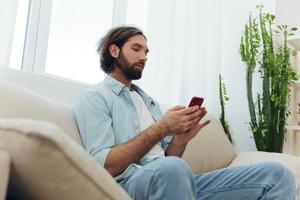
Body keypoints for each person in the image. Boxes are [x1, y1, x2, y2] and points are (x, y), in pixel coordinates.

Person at [74, 25, 296, 200]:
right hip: (129, 186)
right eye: (136, 48)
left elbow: (167, 159)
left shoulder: (147, 102)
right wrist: (161, 129)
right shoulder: (96, 97)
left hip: (174, 184)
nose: (144, 57)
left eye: (147, 52)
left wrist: (180, 139)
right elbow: (104, 166)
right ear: (114, 50)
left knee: (278, 175)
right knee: (173, 169)